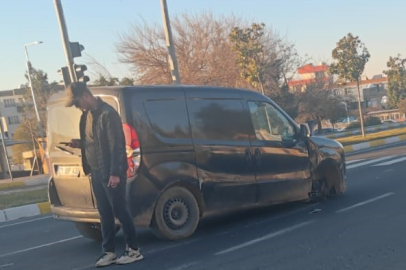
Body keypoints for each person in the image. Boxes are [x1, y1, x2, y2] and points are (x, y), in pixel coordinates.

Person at [65, 82, 143, 267]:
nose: (77, 107)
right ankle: (109, 252)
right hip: (96, 170)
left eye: (77, 103)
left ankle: (134, 250)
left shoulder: (108, 115)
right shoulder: (86, 117)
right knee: (105, 213)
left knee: (120, 211)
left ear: (85, 95)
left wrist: (115, 173)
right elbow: (93, 142)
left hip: (111, 172)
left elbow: (117, 147)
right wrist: (79, 143)